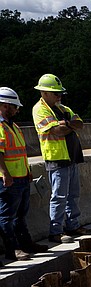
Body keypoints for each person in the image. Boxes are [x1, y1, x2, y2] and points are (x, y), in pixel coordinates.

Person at [32, 73, 91, 244]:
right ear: (44, 93)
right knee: (59, 196)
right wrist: (67, 125)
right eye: (56, 93)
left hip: (71, 156)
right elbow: (55, 131)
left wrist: (67, 124)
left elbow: (80, 122)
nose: (59, 96)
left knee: (73, 194)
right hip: (57, 158)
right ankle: (56, 231)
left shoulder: (62, 108)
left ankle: (73, 225)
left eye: (60, 93)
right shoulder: (40, 109)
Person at [0, 87, 48, 262]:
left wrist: (27, 171)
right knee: (7, 217)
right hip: (8, 180)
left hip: (21, 178)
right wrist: (5, 174)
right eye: (15, 107)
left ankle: (26, 244)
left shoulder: (13, 127)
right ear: (5, 106)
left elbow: (20, 152)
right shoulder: (0, 127)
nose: (17, 110)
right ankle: (13, 250)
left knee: (21, 215)